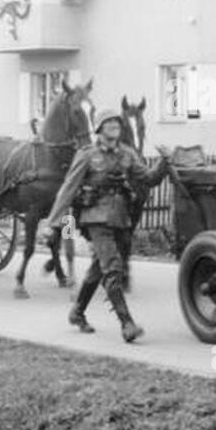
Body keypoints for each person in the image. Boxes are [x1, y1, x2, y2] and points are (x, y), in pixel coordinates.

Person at [42, 110, 164, 342]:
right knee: (112, 267)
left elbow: (148, 178)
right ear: (99, 129)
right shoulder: (87, 155)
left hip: (120, 218)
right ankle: (127, 323)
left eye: (116, 123)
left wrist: (164, 163)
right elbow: (68, 188)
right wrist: (53, 222)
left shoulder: (127, 153)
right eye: (108, 123)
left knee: (99, 268)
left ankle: (77, 312)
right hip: (94, 218)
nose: (113, 126)